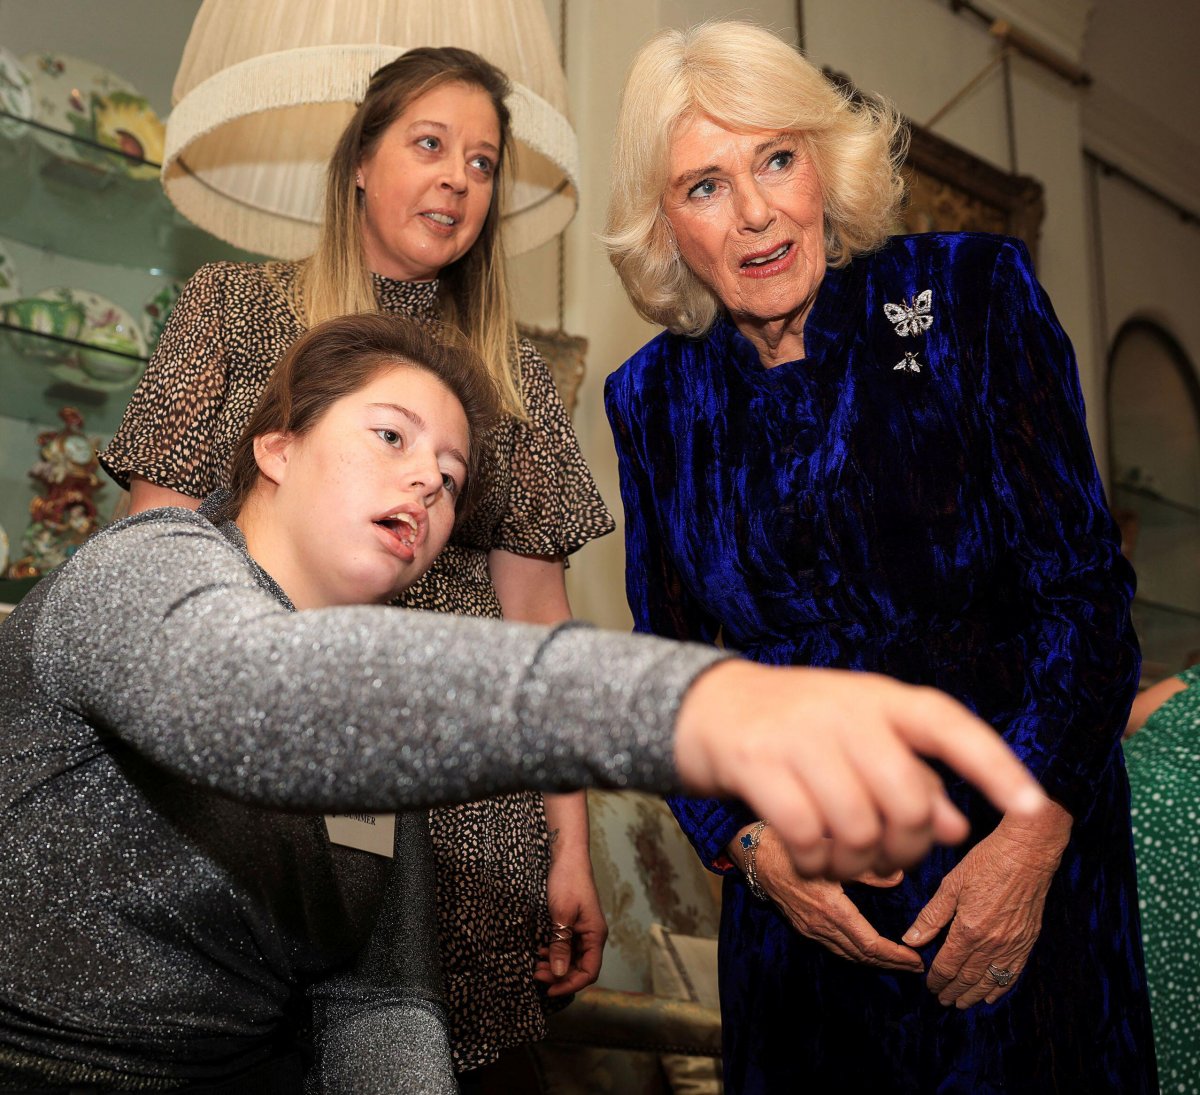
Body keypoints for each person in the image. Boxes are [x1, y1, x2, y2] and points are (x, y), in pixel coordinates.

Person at [0, 313, 1043, 1093]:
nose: (426, 489)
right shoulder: (140, 573)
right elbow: (250, 699)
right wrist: (703, 709)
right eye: (393, 438)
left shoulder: (384, 737)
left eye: (450, 478)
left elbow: (377, 1001)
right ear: (276, 447)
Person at [602, 20, 1155, 1094]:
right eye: (704, 186)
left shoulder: (972, 297)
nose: (756, 212)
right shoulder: (653, 401)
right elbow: (665, 669)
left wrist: (1028, 844)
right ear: (665, 226)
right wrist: (750, 851)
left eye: (776, 158)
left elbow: (1086, 600)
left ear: (825, 162)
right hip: (805, 929)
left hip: (1017, 891)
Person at [100, 47, 612, 1072]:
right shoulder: (238, 306)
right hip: (255, 777)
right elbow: (138, 570)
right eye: (431, 144)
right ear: (361, 164)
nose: (458, 179)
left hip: (472, 808)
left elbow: (540, 619)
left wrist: (572, 843)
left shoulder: (511, 376)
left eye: (481, 163)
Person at [1124, 668, 1200, 1093]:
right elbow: (1120, 717)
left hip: (1182, 880)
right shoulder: (1198, 679)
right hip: (1119, 858)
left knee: (1167, 1000)